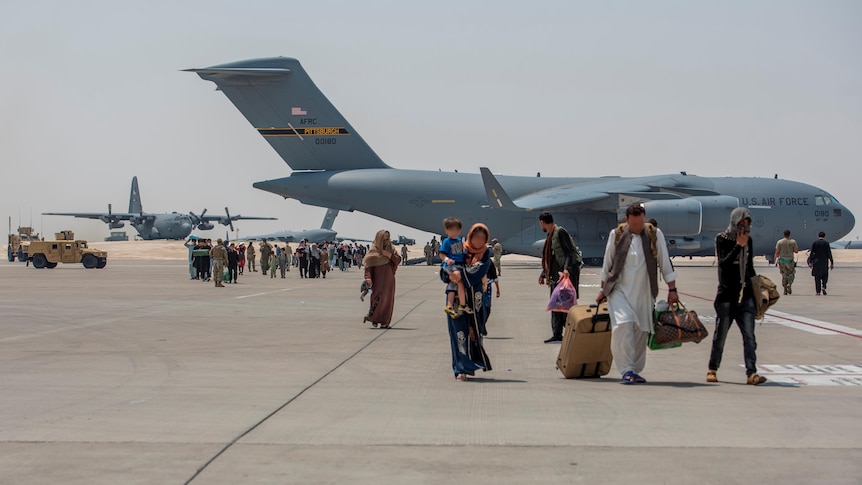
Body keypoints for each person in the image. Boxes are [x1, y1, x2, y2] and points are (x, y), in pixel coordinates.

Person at [597, 204, 677, 385]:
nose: (638, 227)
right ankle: (626, 369)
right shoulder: (616, 235)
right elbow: (607, 263)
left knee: (641, 330)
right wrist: (603, 290)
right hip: (619, 291)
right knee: (624, 325)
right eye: (634, 224)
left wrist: (672, 289)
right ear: (627, 220)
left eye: (641, 223)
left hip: (644, 292)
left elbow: (665, 263)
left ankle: (635, 369)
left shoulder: (655, 234)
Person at [706, 207, 767, 385]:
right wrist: (738, 246)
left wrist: (758, 289)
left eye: (748, 224)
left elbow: (749, 267)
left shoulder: (749, 241)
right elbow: (723, 265)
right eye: (741, 224)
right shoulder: (722, 239)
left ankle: (751, 373)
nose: (745, 228)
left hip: (746, 296)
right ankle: (712, 369)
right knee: (720, 336)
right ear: (734, 222)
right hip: (727, 296)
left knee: (749, 337)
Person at [445, 223, 493, 381]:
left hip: (475, 300)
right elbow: (447, 264)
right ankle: (460, 369)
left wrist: (460, 274)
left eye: (482, 238)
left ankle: (471, 363)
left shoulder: (485, 253)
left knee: (474, 333)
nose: (478, 241)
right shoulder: (460, 247)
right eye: (475, 237)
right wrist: (450, 273)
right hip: (457, 300)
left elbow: (479, 270)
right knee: (459, 334)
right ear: (470, 236)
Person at [538, 212, 581, 343]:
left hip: (565, 275)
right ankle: (557, 334)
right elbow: (551, 258)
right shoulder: (551, 235)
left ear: (542, 222)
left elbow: (569, 252)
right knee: (556, 305)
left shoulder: (560, 233)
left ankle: (570, 332)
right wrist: (543, 274)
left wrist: (566, 269)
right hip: (555, 276)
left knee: (566, 305)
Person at [363, 230, 402, 329]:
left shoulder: (391, 249)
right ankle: (374, 318)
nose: (386, 241)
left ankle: (385, 322)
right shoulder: (373, 252)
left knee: (387, 300)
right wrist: (368, 278)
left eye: (388, 239)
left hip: (389, 281)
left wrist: (389, 256)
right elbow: (368, 267)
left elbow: (398, 260)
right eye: (384, 239)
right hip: (377, 280)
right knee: (376, 299)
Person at [440, 217, 471, 317]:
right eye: (451, 230)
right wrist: (447, 260)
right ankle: (463, 304)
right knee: (460, 283)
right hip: (450, 265)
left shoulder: (459, 241)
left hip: (458, 265)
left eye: (456, 230)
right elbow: (442, 254)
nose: (454, 232)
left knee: (453, 285)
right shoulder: (446, 241)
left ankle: (449, 306)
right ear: (446, 230)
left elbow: (461, 254)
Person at [808, 232, 834, 296]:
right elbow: (829, 253)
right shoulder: (826, 243)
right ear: (824, 236)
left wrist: (810, 262)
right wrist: (831, 263)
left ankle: (818, 292)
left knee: (817, 278)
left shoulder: (815, 243)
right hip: (824, 262)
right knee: (825, 276)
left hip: (816, 262)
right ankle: (824, 286)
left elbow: (811, 253)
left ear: (818, 236)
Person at [774, 230, 798, 295]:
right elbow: (796, 251)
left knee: (784, 275)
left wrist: (775, 260)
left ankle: (785, 288)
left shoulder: (780, 242)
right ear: (789, 234)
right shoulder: (793, 242)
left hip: (782, 261)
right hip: (790, 261)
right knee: (791, 274)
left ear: (784, 234)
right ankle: (789, 284)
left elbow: (777, 252)